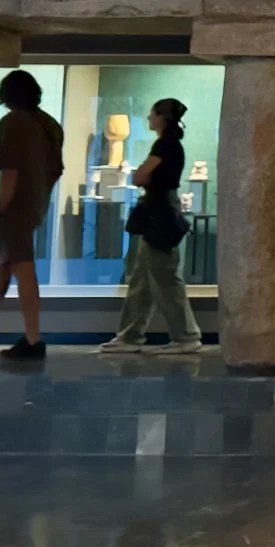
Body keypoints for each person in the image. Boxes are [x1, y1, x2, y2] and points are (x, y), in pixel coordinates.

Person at [0, 69, 64, 361]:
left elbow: (9, 170)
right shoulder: (50, 125)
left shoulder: (13, 123)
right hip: (35, 204)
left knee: (22, 268)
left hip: (15, 207)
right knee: (3, 270)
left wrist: (2, 205)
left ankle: (33, 339)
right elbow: (55, 170)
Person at [98, 98, 202, 356]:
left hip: (159, 214)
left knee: (164, 278)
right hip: (159, 212)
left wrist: (143, 176)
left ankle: (185, 336)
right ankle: (130, 335)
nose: (148, 118)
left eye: (152, 114)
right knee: (142, 279)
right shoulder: (169, 144)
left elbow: (141, 175)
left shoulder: (165, 145)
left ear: (162, 117)